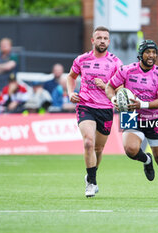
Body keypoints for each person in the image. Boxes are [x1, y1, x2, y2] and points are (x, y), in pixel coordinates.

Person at [106, 40, 158, 202]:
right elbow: (109, 86)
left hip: (152, 117)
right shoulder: (126, 70)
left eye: (154, 52)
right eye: (148, 52)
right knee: (130, 149)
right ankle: (146, 160)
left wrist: (142, 104)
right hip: (131, 115)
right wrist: (114, 100)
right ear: (141, 54)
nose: (151, 55)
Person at [67, 26, 123, 198]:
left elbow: (121, 87)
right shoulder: (82, 59)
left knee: (98, 149)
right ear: (93, 40)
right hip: (85, 105)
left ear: (109, 41)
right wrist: (70, 93)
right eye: (99, 38)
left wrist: (107, 86)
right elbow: (71, 77)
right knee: (88, 143)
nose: (102, 41)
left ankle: (91, 175)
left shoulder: (115, 62)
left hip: (106, 109)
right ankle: (91, 183)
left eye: (105, 38)